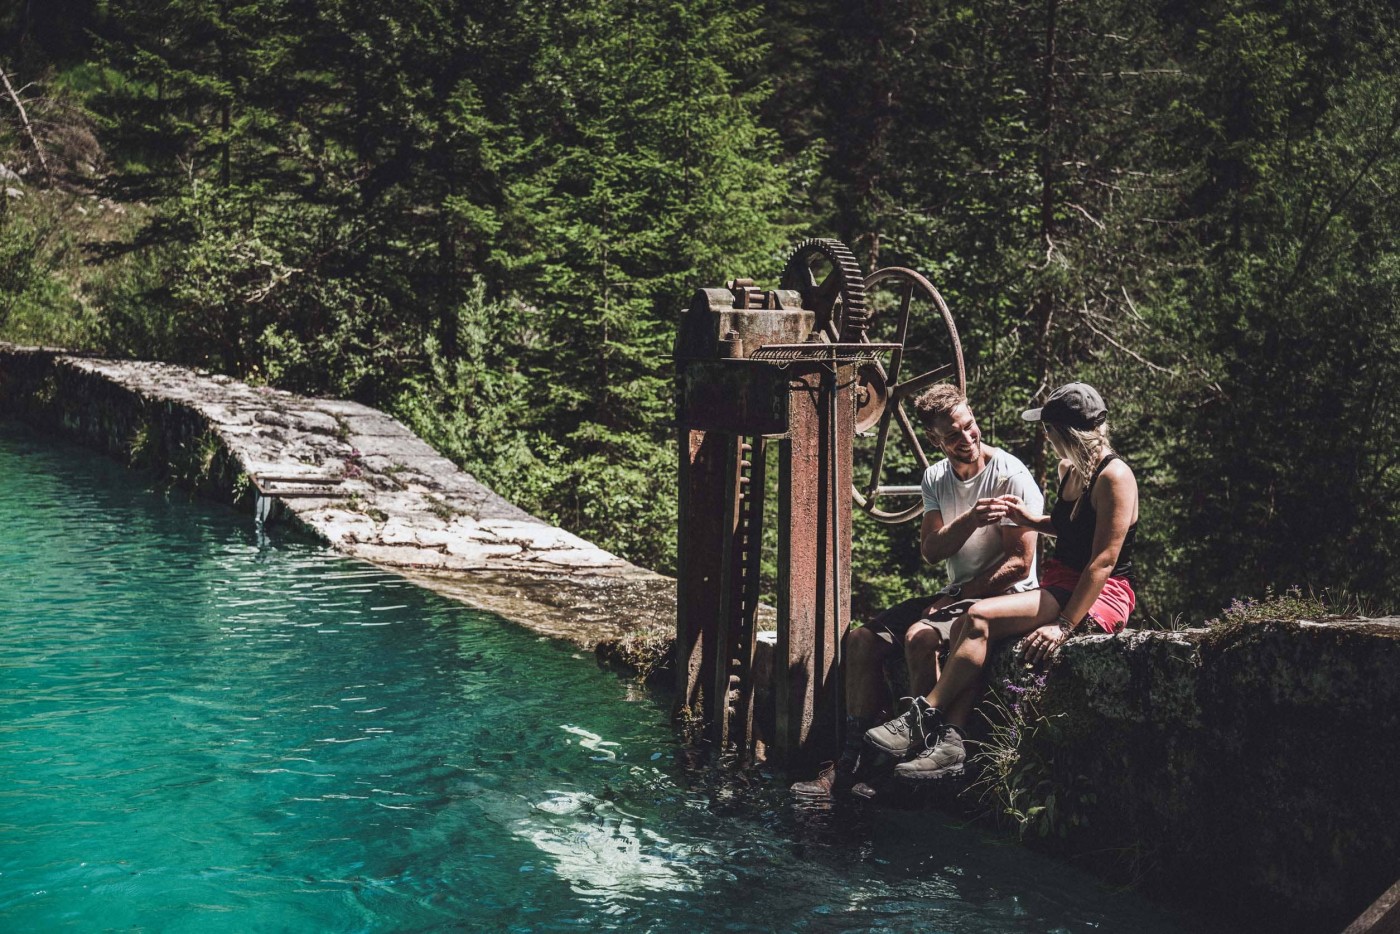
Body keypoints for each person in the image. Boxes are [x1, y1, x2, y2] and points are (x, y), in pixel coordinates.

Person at [863, 381, 1139, 783]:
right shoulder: (1070, 470)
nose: (1044, 436)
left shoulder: (1115, 477)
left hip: (1100, 592)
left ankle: (922, 719)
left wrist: (1064, 626)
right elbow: (1072, 527)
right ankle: (952, 743)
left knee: (978, 617)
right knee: (965, 621)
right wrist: (1032, 521)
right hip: (1061, 582)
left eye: (1048, 429)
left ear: (1063, 432)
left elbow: (1103, 560)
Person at [791, 382, 1043, 797]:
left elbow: (1019, 564)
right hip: (958, 590)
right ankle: (852, 762)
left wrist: (959, 597)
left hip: (1002, 596)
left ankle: (918, 757)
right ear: (933, 439)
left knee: (920, 637)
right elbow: (931, 550)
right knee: (861, 641)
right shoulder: (936, 478)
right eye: (953, 435)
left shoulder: (1009, 474)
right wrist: (971, 520)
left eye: (969, 426)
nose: (966, 438)